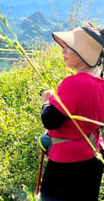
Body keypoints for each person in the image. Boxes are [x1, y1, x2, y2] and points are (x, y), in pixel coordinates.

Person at [40, 25, 104, 201]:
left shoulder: (75, 83)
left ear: (84, 53)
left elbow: (50, 120)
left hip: (66, 165)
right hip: (93, 158)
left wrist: (46, 101)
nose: (63, 51)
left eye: (69, 47)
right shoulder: (101, 84)